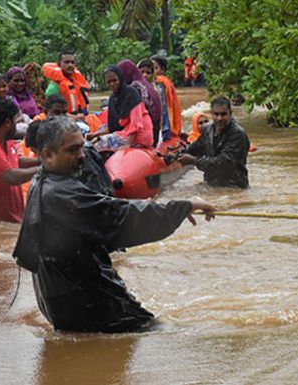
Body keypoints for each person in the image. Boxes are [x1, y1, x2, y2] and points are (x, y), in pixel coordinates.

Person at [12, 117, 216, 333]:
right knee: (165, 332)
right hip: (86, 302)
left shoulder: (41, 182)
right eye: (72, 150)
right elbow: (120, 217)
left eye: (81, 147)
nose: (81, 155)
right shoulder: (62, 194)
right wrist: (182, 208)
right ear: (47, 155)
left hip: (60, 299)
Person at [178, 96, 250, 188]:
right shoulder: (208, 130)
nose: (219, 118)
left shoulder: (238, 135)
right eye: (216, 114)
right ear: (212, 114)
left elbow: (223, 163)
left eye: (223, 114)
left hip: (234, 187)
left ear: (230, 114)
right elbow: (195, 147)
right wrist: (179, 154)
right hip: (210, 184)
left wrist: (193, 161)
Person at [88, 65, 153, 152]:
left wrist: (128, 144)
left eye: (114, 80)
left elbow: (136, 123)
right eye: (108, 82)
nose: (112, 84)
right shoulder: (112, 99)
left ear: (120, 79)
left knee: (102, 143)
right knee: (98, 135)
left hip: (140, 135)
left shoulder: (131, 93)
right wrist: (95, 135)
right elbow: (112, 126)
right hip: (125, 132)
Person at [118, 60, 162, 145]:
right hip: (154, 134)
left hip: (142, 134)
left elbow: (135, 120)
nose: (145, 75)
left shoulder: (134, 89)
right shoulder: (148, 87)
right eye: (142, 72)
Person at [151, 55, 182, 140]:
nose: (153, 71)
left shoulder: (160, 82)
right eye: (151, 68)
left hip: (165, 124)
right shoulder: (167, 82)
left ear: (163, 70)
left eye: (155, 68)